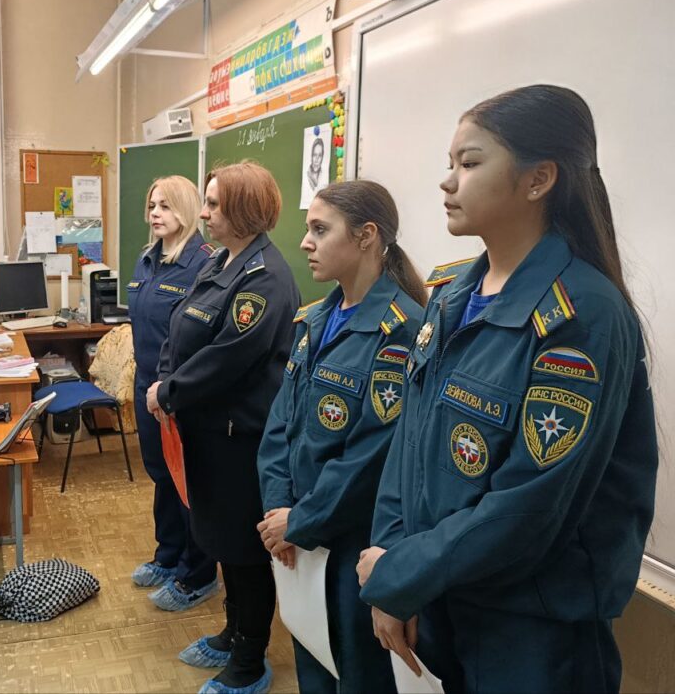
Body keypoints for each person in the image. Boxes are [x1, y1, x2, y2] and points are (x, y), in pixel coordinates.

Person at [356, 85, 657, 693]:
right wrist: (394, 570)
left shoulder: (581, 315)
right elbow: (407, 444)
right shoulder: (451, 296)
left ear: (538, 179)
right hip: (446, 600)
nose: (447, 181)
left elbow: (530, 506)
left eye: (469, 163)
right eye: (450, 163)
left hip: (531, 631)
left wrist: (403, 571)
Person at [258, 180, 426, 693]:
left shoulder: (400, 330)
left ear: (366, 236)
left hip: (350, 543)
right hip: (295, 536)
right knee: (312, 663)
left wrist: (301, 521)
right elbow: (279, 424)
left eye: (319, 229)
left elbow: (374, 454)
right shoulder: (315, 319)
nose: (305, 242)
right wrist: (278, 509)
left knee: (355, 675)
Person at [146, 161, 300, 694]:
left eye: (214, 204)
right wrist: (165, 380)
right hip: (206, 431)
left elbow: (228, 357)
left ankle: (250, 660)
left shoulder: (266, 277)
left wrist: (169, 392)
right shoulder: (220, 261)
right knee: (222, 543)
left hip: (240, 438)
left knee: (245, 551)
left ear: (244, 210)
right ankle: (233, 631)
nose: (205, 213)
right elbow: (179, 329)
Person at [128, 176, 219, 613]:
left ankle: (197, 574)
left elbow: (201, 338)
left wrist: (171, 389)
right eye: (152, 205)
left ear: (185, 207)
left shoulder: (204, 264)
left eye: (165, 205)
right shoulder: (147, 259)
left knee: (188, 485)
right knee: (161, 476)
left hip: (179, 390)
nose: (155, 213)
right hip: (145, 384)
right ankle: (168, 556)